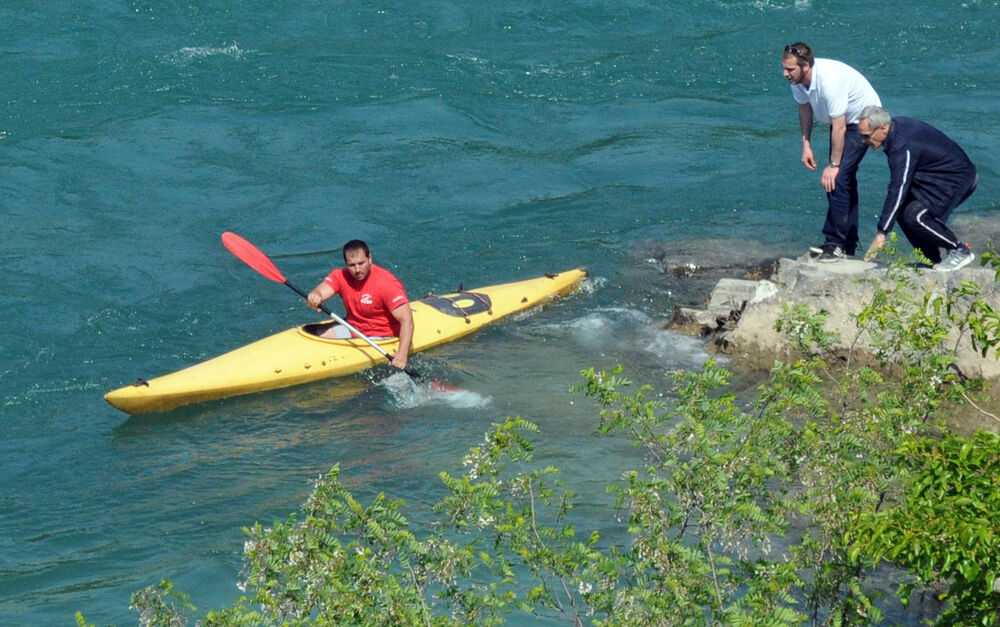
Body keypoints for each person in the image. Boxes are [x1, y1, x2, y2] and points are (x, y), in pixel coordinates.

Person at [781, 42, 882, 262]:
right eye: (785, 68)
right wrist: (806, 144)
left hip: (864, 121)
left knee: (836, 179)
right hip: (843, 122)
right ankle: (848, 244)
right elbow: (804, 108)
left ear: (806, 66)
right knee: (843, 180)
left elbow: (840, 127)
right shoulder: (797, 81)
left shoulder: (829, 81)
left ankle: (835, 243)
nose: (785, 74)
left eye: (790, 69)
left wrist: (833, 165)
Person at [860, 106, 978, 272]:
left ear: (883, 127)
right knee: (902, 213)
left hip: (956, 179)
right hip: (932, 177)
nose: (863, 141)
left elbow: (898, 187)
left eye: (866, 136)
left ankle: (959, 250)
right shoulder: (896, 127)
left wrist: (881, 233)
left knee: (914, 216)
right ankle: (933, 259)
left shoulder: (902, 145)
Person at [306, 239, 414, 369]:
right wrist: (315, 296)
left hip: (381, 335)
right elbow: (320, 291)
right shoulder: (340, 276)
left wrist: (402, 354)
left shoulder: (386, 283)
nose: (357, 270)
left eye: (361, 263)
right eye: (352, 265)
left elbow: (407, 320)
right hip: (353, 328)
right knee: (320, 336)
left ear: (370, 259)